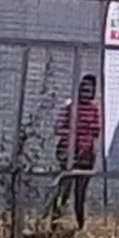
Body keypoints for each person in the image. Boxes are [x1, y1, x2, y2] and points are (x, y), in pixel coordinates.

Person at [49, 74, 102, 225]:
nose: (85, 92)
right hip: (69, 153)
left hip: (86, 155)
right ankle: (55, 221)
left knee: (80, 193)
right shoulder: (70, 106)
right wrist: (73, 135)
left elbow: (96, 131)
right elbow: (59, 128)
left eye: (88, 89)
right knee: (64, 190)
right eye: (83, 88)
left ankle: (80, 224)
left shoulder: (93, 110)